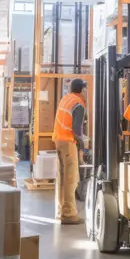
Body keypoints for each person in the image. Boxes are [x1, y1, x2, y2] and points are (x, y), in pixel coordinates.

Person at [52, 78, 87, 224]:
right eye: (85, 89)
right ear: (82, 90)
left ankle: (61, 210)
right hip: (68, 142)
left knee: (62, 176)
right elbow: (76, 128)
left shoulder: (65, 99)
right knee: (71, 178)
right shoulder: (78, 104)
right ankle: (68, 214)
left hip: (59, 140)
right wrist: (83, 142)